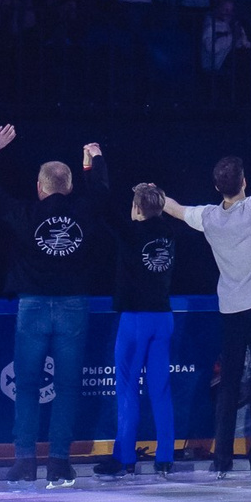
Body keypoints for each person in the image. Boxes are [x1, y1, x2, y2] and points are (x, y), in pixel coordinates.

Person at [159, 109, 251, 477]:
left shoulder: (210, 217)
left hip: (231, 310)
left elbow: (177, 210)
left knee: (228, 383)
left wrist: (155, 196)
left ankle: (222, 457)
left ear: (218, 186)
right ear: (243, 181)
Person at [0, 125, 112, 487]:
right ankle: (59, 462)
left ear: (40, 187)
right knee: (66, 386)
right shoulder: (83, 210)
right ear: (66, 187)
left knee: (28, 385)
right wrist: (93, 159)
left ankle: (24, 462)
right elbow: (101, 192)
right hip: (73, 308)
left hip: (33, 307)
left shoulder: (25, 214)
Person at [95, 183, 193, 479]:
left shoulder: (131, 233)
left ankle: (124, 457)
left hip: (136, 320)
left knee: (127, 389)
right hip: (162, 318)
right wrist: (155, 194)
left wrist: (93, 163)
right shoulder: (170, 233)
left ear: (136, 209)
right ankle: (164, 457)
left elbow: (101, 200)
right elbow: (173, 213)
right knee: (160, 389)